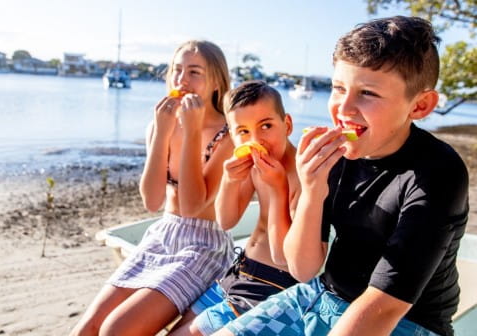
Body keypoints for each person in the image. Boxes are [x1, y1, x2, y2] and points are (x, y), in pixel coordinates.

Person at [213, 16, 469, 336]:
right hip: (323, 295)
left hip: (406, 319)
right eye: (338, 88)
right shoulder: (338, 157)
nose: (343, 109)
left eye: (367, 93)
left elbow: (385, 305)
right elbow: (303, 269)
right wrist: (312, 189)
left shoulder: (437, 172)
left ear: (419, 106)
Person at [69, 40, 235, 336]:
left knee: (116, 330)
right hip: (163, 234)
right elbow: (152, 199)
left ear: (216, 82)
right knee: (87, 329)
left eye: (195, 72)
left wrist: (193, 130)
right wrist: (161, 131)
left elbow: (193, 204)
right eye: (177, 70)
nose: (182, 81)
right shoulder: (161, 124)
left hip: (204, 245)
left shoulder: (229, 135)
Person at [170, 80, 305, 336]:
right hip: (239, 272)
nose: (256, 140)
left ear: (287, 125)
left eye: (266, 126)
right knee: (177, 328)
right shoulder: (253, 167)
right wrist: (231, 180)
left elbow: (285, 256)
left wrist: (278, 189)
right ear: (232, 135)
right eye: (243, 131)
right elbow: (226, 220)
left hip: (272, 286)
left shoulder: (301, 174)